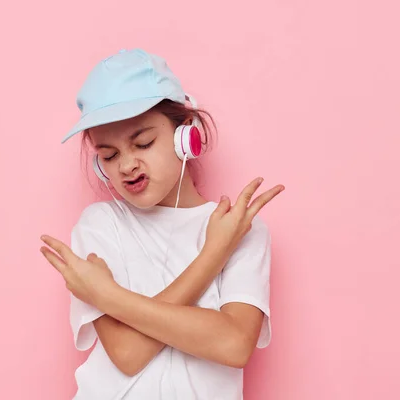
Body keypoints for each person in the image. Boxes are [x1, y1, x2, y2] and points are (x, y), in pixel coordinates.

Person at [39, 48, 285, 400]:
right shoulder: (100, 225)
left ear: (186, 137)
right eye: (109, 155)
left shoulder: (240, 229)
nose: (126, 165)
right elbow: (127, 353)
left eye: (143, 142)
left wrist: (107, 295)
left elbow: (233, 344)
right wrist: (213, 255)